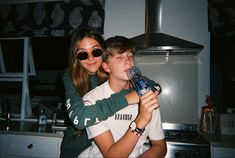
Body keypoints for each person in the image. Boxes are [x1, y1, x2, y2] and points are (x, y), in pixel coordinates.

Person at [60, 27, 162, 158]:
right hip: (78, 148)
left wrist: (151, 90)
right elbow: (79, 118)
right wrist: (127, 98)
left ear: (103, 53)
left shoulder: (114, 73)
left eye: (95, 51)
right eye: (82, 54)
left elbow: (155, 86)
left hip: (107, 147)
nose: (90, 58)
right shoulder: (71, 77)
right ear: (76, 58)